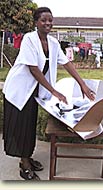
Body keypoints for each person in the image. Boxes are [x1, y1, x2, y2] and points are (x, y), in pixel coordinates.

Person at [2, 7, 95, 180]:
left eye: (50, 20)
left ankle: (27, 157)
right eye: (44, 20)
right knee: (20, 126)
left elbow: (67, 63)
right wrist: (54, 91)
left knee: (29, 126)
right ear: (36, 22)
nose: (48, 23)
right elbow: (33, 69)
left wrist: (82, 84)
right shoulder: (29, 39)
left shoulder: (53, 43)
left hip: (35, 90)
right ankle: (24, 164)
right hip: (20, 89)